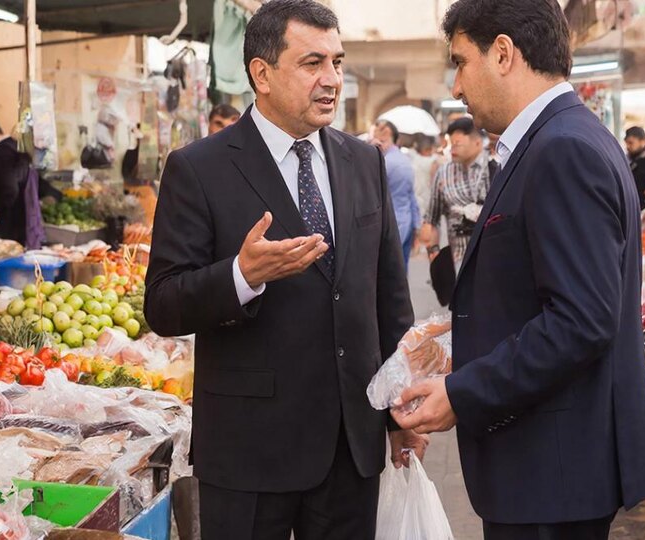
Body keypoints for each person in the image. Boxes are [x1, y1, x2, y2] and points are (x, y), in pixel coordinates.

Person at [142, 1, 423, 538]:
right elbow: (163, 302)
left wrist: (400, 406)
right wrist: (240, 276)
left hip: (351, 443)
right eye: (312, 63)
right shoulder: (198, 167)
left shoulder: (364, 161)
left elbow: (389, 297)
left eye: (337, 62)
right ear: (261, 74)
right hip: (251, 449)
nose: (332, 80)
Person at [392, 1, 645, 539]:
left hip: (551, 469)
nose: (456, 88)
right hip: (550, 466)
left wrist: (463, 392)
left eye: (461, 63)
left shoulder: (562, 148)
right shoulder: (560, 138)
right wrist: (464, 338)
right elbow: (549, 294)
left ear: (503, 53)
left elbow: (581, 319)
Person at [420, 116, 499, 268]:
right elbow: (432, 218)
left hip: (492, 260)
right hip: (457, 260)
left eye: (457, 144)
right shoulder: (443, 173)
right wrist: (434, 255)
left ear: (477, 142)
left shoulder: (496, 169)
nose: (451, 149)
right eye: (450, 144)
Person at [0, 113, 43, 248]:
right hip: (19, 227)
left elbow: (9, 190)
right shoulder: (16, 148)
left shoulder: (1, 154)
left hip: (2, 232)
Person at [372, 120, 420, 266]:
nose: (372, 134)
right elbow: (411, 195)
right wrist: (416, 225)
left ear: (385, 132)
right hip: (406, 221)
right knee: (401, 272)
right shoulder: (404, 159)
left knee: (389, 273)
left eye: (375, 130)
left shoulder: (383, 161)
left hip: (390, 226)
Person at [407, 134, 441, 221]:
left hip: (415, 197)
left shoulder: (412, 160)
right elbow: (435, 183)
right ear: (428, 148)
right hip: (428, 197)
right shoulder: (433, 161)